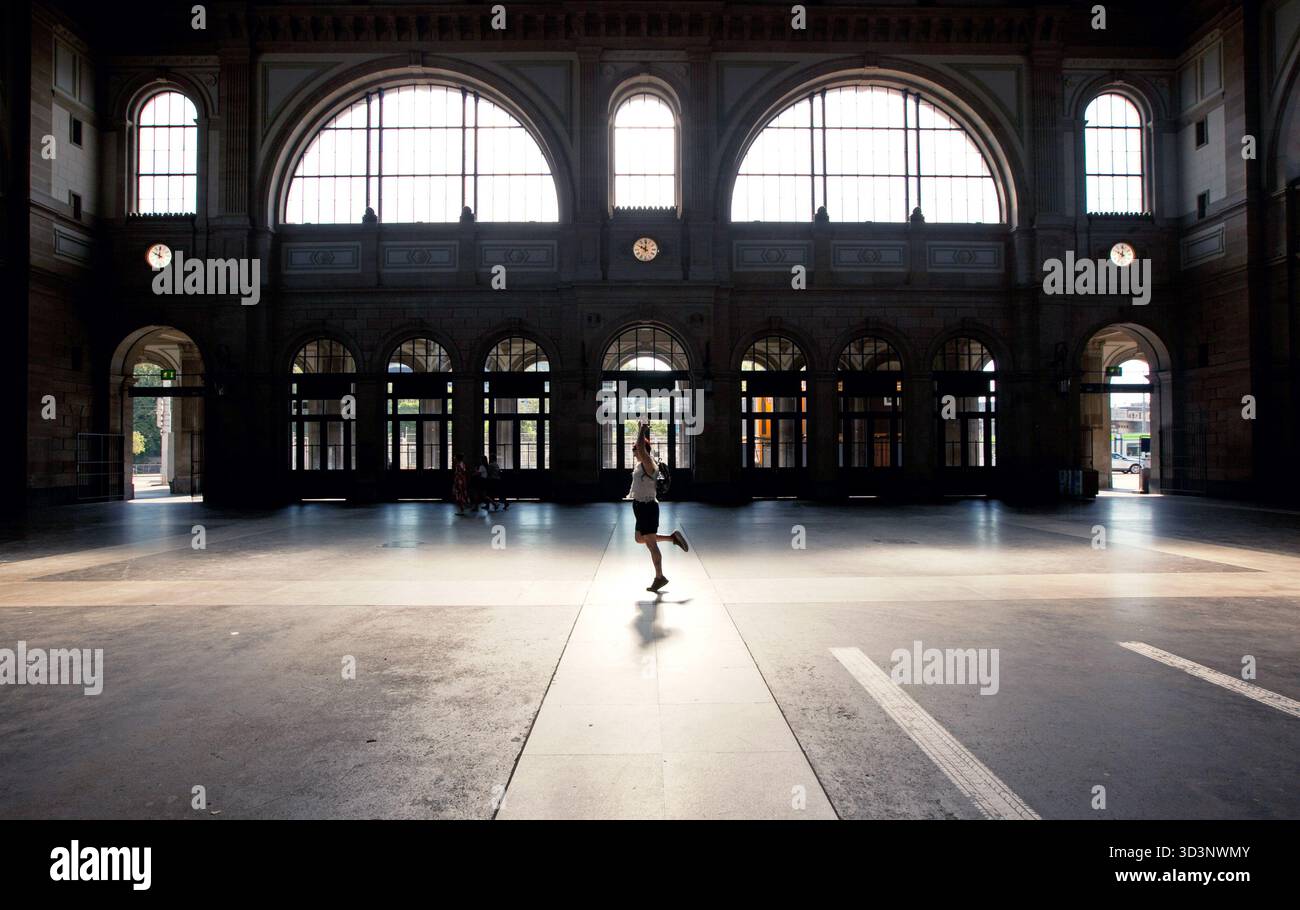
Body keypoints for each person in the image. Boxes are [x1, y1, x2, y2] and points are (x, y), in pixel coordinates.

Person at [628, 422, 688, 592]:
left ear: (642, 451)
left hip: (647, 508)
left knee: (651, 544)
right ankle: (672, 538)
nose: (634, 453)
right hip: (640, 507)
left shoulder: (649, 463)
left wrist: (641, 429)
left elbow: (640, 446)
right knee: (640, 538)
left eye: (635, 451)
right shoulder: (642, 465)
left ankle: (659, 577)